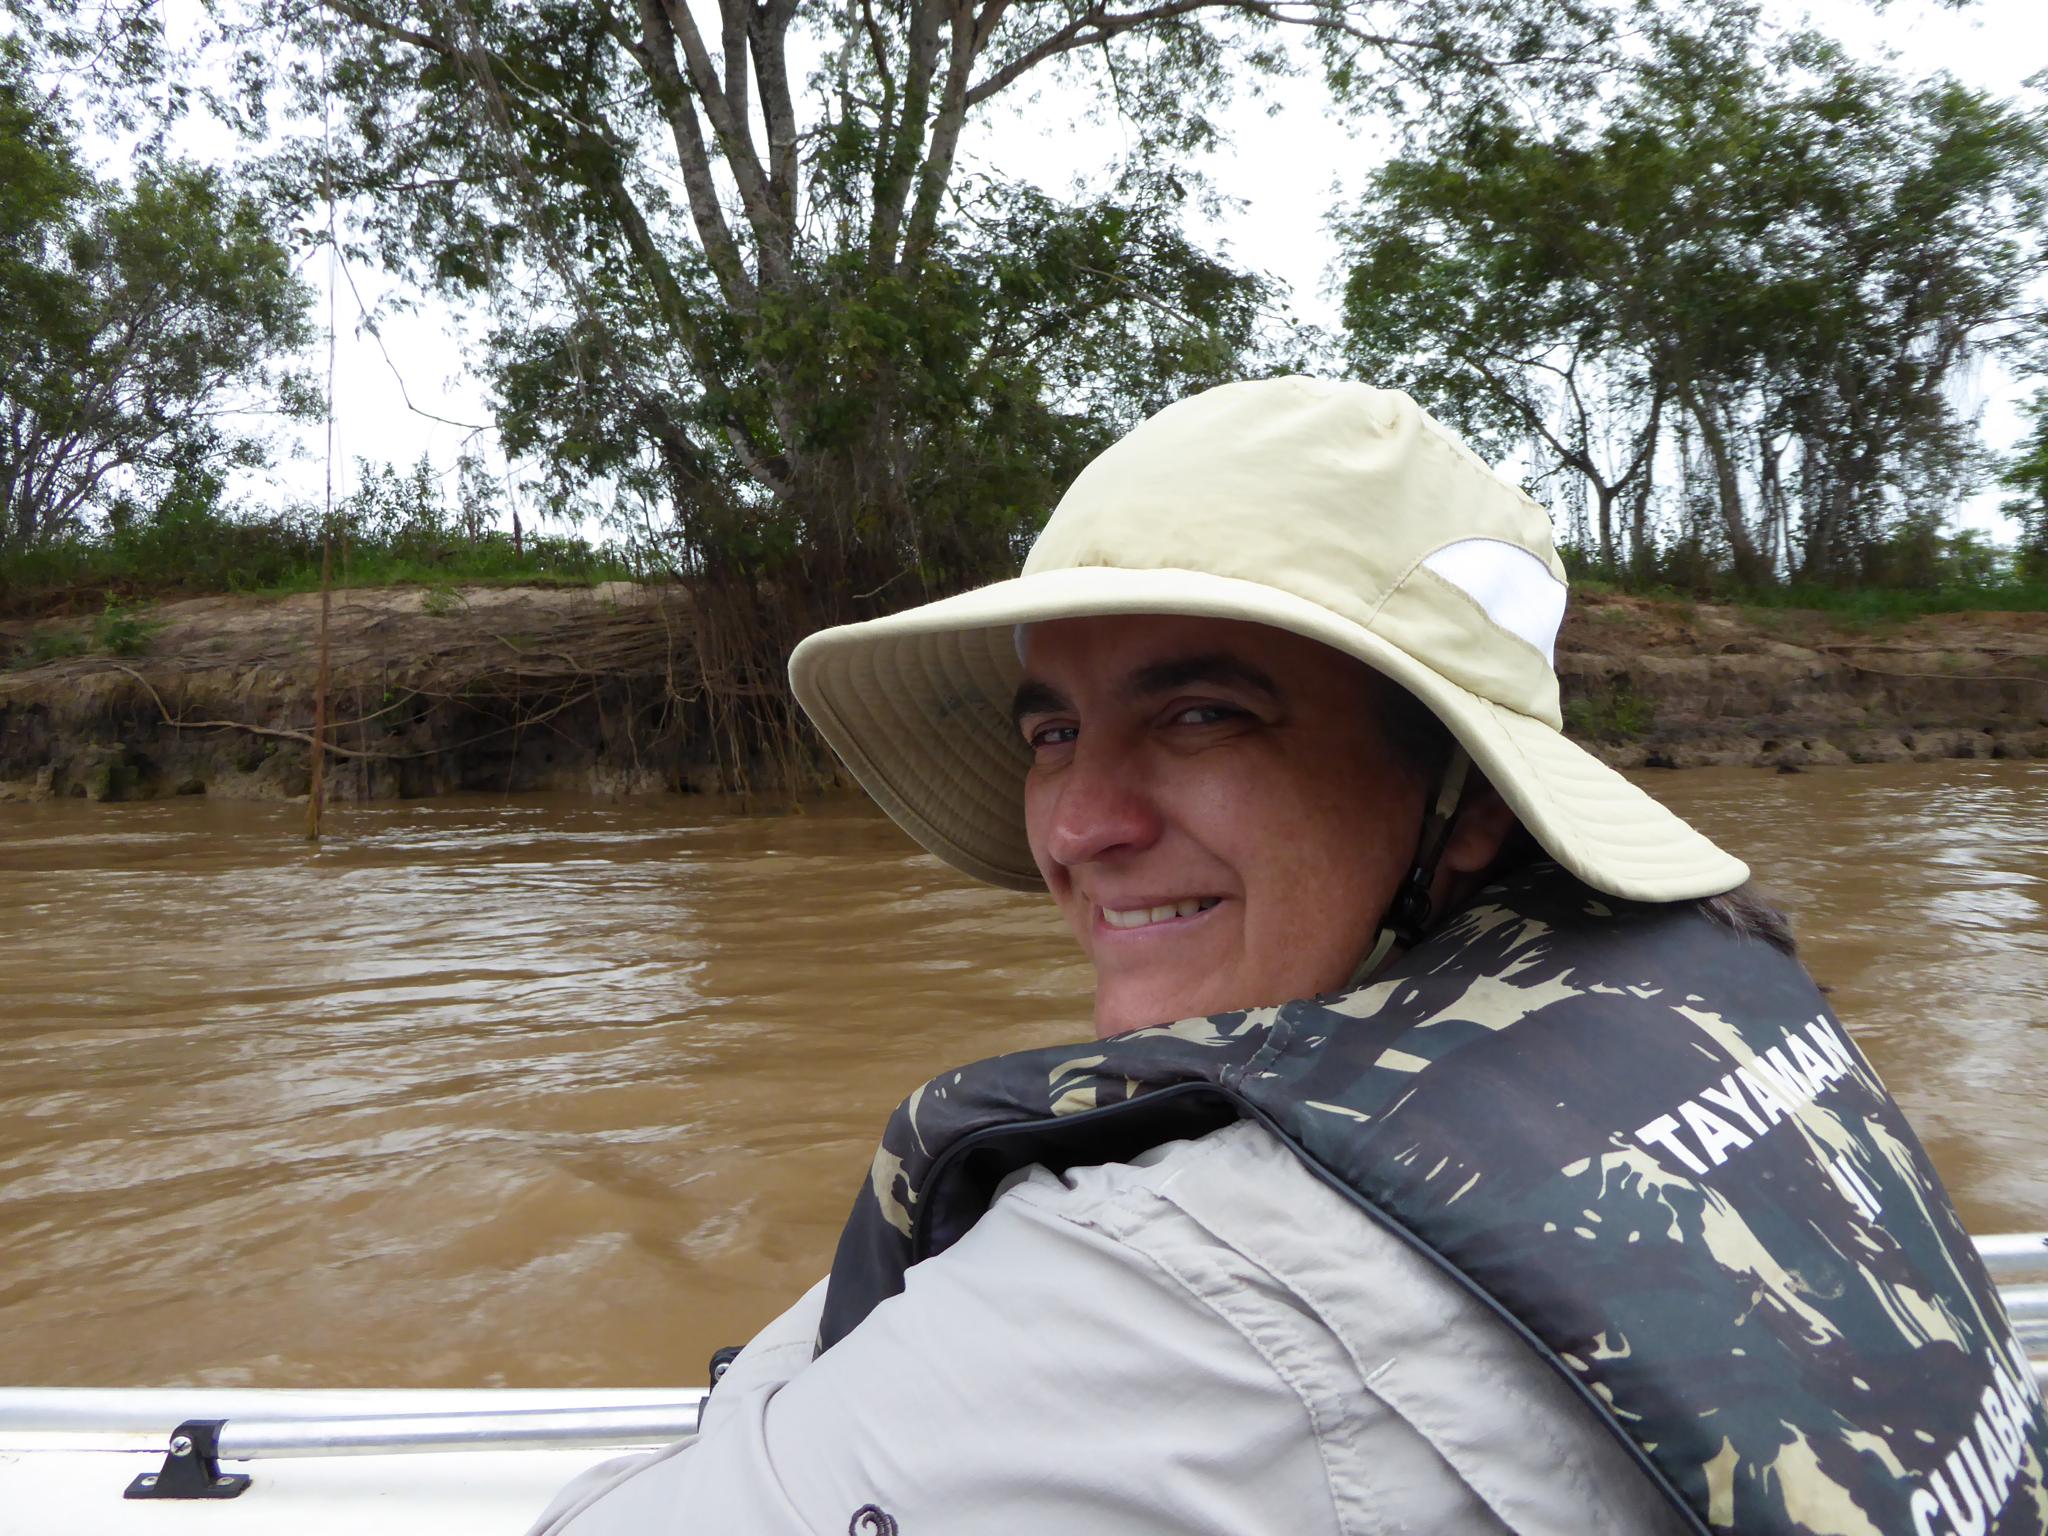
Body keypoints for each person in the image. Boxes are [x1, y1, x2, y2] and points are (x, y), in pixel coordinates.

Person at [531, 378, 2045, 1535]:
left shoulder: (1175, 1281)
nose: (1081, 826)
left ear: (1457, 800)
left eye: (1203, 716)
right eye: (1053, 729)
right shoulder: (1716, 1011)